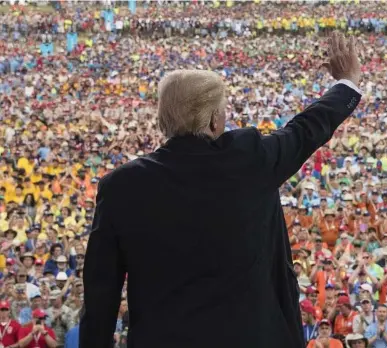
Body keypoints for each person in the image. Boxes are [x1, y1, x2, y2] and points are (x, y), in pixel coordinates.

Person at [80, 31, 362, 348]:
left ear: (163, 121)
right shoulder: (250, 159)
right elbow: (307, 128)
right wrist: (347, 82)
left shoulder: (121, 186)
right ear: (215, 120)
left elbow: (100, 297)